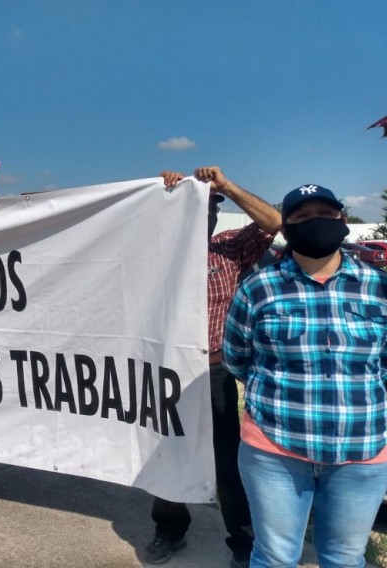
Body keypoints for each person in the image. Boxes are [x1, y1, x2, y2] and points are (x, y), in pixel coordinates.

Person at [224, 184, 387, 567]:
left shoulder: (379, 288)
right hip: (275, 448)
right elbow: (237, 357)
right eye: (300, 217)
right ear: (287, 228)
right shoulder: (258, 288)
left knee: (345, 558)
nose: (314, 223)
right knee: (276, 555)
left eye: (325, 215)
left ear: (342, 221)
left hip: (360, 450)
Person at [144, 166, 281, 567]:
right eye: (196, 205)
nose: (205, 213)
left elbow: (274, 222)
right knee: (168, 455)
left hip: (215, 371)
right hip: (167, 371)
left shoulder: (228, 248)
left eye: (210, 206)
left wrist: (226, 186)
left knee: (228, 462)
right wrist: (161, 190)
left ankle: (243, 543)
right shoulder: (152, 252)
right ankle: (169, 531)